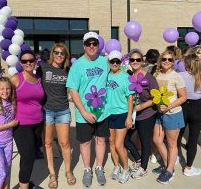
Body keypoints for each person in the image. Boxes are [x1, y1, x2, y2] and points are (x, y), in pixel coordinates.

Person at [66, 31, 110, 187]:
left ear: (98, 45)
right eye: (88, 44)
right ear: (84, 46)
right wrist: (84, 112)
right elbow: (73, 90)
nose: (92, 46)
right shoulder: (77, 65)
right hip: (83, 113)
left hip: (102, 111)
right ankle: (87, 169)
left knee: (101, 140)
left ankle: (99, 168)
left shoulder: (104, 62)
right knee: (85, 143)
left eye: (94, 43)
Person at [37, 43, 76, 188]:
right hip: (46, 111)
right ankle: (52, 174)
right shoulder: (42, 68)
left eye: (62, 53)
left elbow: (74, 89)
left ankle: (68, 171)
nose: (59, 55)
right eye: (57, 52)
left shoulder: (68, 70)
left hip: (62, 111)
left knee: (64, 143)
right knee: (47, 143)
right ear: (52, 53)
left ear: (65, 56)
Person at [10, 50, 45, 189]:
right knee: (28, 157)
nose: (28, 63)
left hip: (38, 123)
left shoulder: (38, 79)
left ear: (35, 61)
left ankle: (24, 183)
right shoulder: (16, 78)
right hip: (21, 124)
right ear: (21, 63)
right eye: (25, 61)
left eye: (31, 60)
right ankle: (23, 187)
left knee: (28, 156)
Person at [152, 50, 187, 184]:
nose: (167, 61)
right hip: (159, 114)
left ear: (173, 62)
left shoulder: (176, 76)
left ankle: (170, 170)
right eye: (164, 59)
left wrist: (169, 106)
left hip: (173, 114)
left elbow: (183, 97)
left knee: (172, 144)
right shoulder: (157, 74)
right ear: (160, 60)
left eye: (170, 59)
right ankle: (167, 165)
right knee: (157, 139)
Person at [124, 49, 159, 179]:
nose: (135, 62)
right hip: (131, 115)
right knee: (125, 139)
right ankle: (138, 160)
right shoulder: (128, 77)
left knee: (145, 141)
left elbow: (157, 98)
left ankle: (143, 168)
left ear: (142, 61)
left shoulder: (149, 78)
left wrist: (142, 106)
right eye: (132, 60)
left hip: (146, 114)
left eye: (138, 59)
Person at [178, 54, 201, 176]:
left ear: (186, 64)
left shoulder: (180, 76)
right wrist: (200, 102)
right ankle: (188, 167)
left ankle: (176, 156)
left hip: (182, 106)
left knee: (178, 133)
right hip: (197, 108)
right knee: (193, 139)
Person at [106, 50, 134, 184]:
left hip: (121, 113)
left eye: (117, 61)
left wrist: (129, 117)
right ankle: (117, 167)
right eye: (112, 61)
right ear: (109, 62)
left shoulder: (126, 77)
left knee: (119, 144)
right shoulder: (106, 76)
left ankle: (126, 169)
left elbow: (130, 98)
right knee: (111, 143)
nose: (115, 63)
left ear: (121, 62)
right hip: (108, 114)